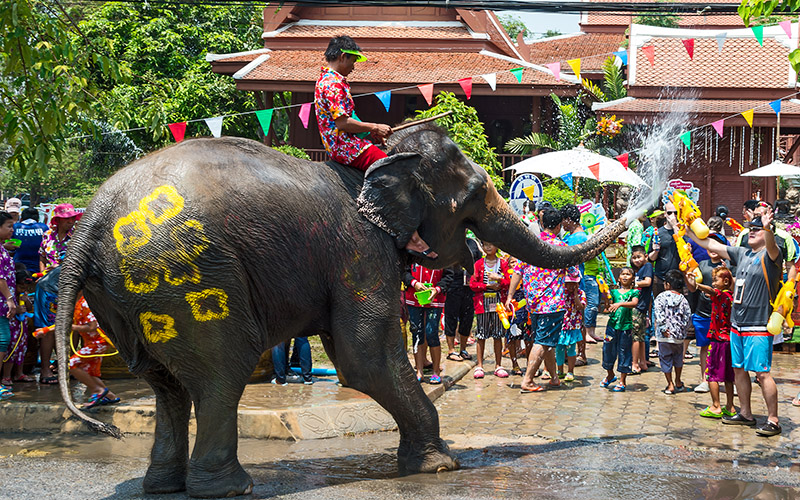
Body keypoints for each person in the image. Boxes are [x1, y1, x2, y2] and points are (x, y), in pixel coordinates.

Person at [314, 35, 433, 259]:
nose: (354, 67)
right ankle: (412, 238)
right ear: (342, 56)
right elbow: (342, 123)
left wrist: (370, 132)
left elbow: (349, 120)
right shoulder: (331, 83)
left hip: (348, 140)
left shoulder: (329, 80)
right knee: (391, 172)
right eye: (353, 61)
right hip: (344, 145)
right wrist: (375, 126)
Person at [687, 209, 783, 436]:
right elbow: (711, 244)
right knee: (738, 370)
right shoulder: (742, 253)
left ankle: (773, 419)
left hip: (758, 325)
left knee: (762, 373)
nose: (752, 232)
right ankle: (746, 414)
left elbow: (771, 246)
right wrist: (685, 227)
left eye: (757, 230)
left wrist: (767, 228)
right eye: (751, 229)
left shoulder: (771, 256)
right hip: (736, 324)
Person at [507, 209, 578, 393]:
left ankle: (554, 377)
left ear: (542, 224)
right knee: (543, 342)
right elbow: (574, 274)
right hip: (552, 304)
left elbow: (517, 272)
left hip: (534, 304)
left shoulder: (531, 246)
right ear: (558, 225)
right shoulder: (562, 248)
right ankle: (528, 380)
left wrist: (509, 296)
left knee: (546, 341)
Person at [688, 267, 736, 419]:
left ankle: (716, 406)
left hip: (718, 340)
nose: (714, 283)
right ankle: (730, 406)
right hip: (729, 339)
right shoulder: (731, 295)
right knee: (729, 376)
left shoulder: (722, 295)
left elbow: (712, 291)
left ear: (726, 281)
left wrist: (697, 284)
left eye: (716, 280)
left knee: (712, 374)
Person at [685, 233, 728, 394]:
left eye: (717, 244)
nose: (713, 248)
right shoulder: (701, 264)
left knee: (725, 348)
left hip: (723, 315)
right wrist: (689, 278)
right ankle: (705, 379)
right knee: (704, 347)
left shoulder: (729, 265)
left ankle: (729, 380)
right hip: (703, 312)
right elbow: (692, 288)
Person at [69, 292, 120, 409]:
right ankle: (110, 396)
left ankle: (96, 390)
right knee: (90, 371)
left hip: (98, 342)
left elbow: (92, 327)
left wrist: (72, 327)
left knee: (71, 364)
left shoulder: (85, 303)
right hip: (91, 342)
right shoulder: (76, 303)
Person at [560, 204, 602, 348]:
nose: (561, 224)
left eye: (563, 220)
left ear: (568, 219)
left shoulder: (578, 237)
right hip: (571, 283)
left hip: (575, 284)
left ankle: (580, 352)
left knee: (578, 320)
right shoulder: (571, 235)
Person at [469, 242, 511, 379]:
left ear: (497, 246)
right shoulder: (478, 264)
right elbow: (472, 284)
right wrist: (486, 285)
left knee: (498, 334)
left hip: (499, 303)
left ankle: (498, 365)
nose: (488, 248)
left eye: (491, 245)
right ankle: (479, 365)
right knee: (481, 334)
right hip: (483, 302)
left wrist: (499, 280)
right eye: (485, 245)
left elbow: (510, 282)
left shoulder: (503, 264)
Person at [403, 263, 450, 384]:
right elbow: (403, 271)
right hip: (414, 297)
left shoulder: (442, 253)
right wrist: (414, 283)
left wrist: (437, 289)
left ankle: (436, 372)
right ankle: (419, 371)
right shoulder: (411, 251)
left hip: (435, 299)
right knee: (416, 332)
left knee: (431, 332)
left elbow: (449, 275)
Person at [600, 267, 639, 392]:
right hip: (612, 326)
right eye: (623, 274)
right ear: (619, 278)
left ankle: (622, 381)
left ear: (632, 279)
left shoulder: (634, 292)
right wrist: (606, 297)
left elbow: (634, 303)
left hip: (625, 327)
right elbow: (607, 307)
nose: (625, 276)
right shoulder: (614, 292)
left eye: (628, 274)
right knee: (608, 350)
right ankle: (610, 374)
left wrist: (620, 304)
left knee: (624, 352)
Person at [442, 238, 481, 362]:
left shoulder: (472, 243)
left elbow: (479, 262)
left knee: (467, 317)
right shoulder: (448, 243)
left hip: (469, 285)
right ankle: (451, 349)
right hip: (453, 282)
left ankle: (463, 349)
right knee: (451, 316)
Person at [653, 269, 691, 395]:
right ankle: (678, 381)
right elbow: (687, 317)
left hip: (664, 337)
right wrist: (683, 330)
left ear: (667, 284)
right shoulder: (684, 300)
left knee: (665, 359)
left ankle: (670, 384)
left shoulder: (660, 297)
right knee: (678, 358)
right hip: (679, 336)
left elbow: (659, 314)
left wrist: (663, 329)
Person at [1, 264, 34, 386]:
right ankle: (6, 375)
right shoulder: (8, 296)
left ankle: (19, 373)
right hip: (12, 326)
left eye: (25, 286)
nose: (23, 288)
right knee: (11, 350)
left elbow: (30, 308)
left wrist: (26, 301)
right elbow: (7, 311)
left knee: (22, 348)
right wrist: (17, 311)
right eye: (20, 286)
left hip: (22, 327)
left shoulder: (23, 295)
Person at [0, 212, 19, 400]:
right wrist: (9, 299)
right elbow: (0, 278)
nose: (12, 230)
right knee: (2, 340)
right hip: (1, 303)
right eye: (8, 226)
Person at [556, 273, 585, 382]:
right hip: (560, 326)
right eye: (569, 283)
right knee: (559, 349)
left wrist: (576, 295)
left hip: (573, 326)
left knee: (571, 349)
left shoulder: (581, 293)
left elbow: (579, 307)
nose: (571, 286)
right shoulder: (560, 293)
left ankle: (570, 371)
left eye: (574, 283)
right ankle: (559, 370)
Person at [648, 202, 681, 297]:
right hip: (661, 278)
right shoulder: (658, 233)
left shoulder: (685, 232)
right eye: (670, 213)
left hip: (680, 278)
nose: (673, 216)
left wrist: (675, 227)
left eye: (676, 213)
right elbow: (650, 258)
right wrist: (655, 251)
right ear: (665, 214)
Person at [630, 245, 653, 374]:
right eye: (634, 258)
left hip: (639, 307)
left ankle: (634, 364)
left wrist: (633, 283)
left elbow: (648, 282)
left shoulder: (647, 266)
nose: (636, 260)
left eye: (639, 257)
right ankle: (642, 362)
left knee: (636, 337)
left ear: (645, 256)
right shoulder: (640, 270)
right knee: (641, 336)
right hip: (641, 306)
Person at [39, 203, 81, 273]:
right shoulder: (47, 235)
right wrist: (42, 275)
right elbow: (42, 257)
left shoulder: (78, 236)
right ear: (58, 220)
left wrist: (59, 268)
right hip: (48, 279)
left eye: (73, 218)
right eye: (66, 218)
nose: (71, 221)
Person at [13, 207, 47, 274]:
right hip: (39, 268)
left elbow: (11, 249)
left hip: (18, 268)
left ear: (21, 219)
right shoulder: (44, 227)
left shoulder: (15, 227)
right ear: (37, 220)